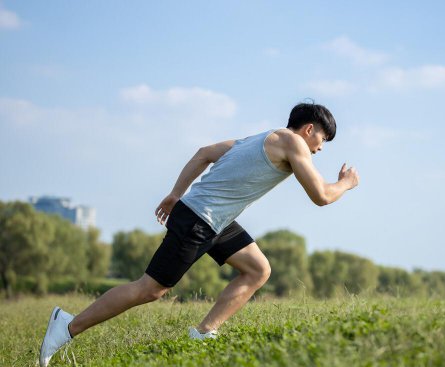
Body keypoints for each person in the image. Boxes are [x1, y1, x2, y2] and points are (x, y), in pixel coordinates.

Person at [39, 102, 359, 366]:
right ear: (309, 129)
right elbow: (321, 196)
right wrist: (346, 183)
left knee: (258, 269)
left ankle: (205, 332)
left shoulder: (258, 138)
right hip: (199, 220)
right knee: (150, 289)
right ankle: (66, 326)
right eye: (322, 140)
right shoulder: (292, 143)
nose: (320, 149)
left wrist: (176, 193)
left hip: (213, 220)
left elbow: (204, 152)